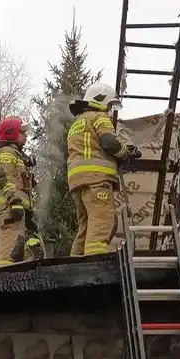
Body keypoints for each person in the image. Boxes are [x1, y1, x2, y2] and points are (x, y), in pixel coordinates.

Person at [66, 83, 140, 257]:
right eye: (109, 105)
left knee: (85, 227)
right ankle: (93, 266)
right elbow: (108, 142)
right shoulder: (98, 117)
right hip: (96, 180)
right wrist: (125, 154)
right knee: (102, 223)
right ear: (100, 99)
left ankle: (74, 268)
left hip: (78, 183)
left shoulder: (77, 123)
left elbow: (93, 148)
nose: (109, 109)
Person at [0, 116, 45, 266]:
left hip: (20, 211)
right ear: (12, 133)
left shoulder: (16, 155)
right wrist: (14, 201)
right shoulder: (7, 153)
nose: (26, 136)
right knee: (9, 250)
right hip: (10, 210)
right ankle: (0, 282)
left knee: (24, 250)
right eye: (22, 132)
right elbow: (4, 177)